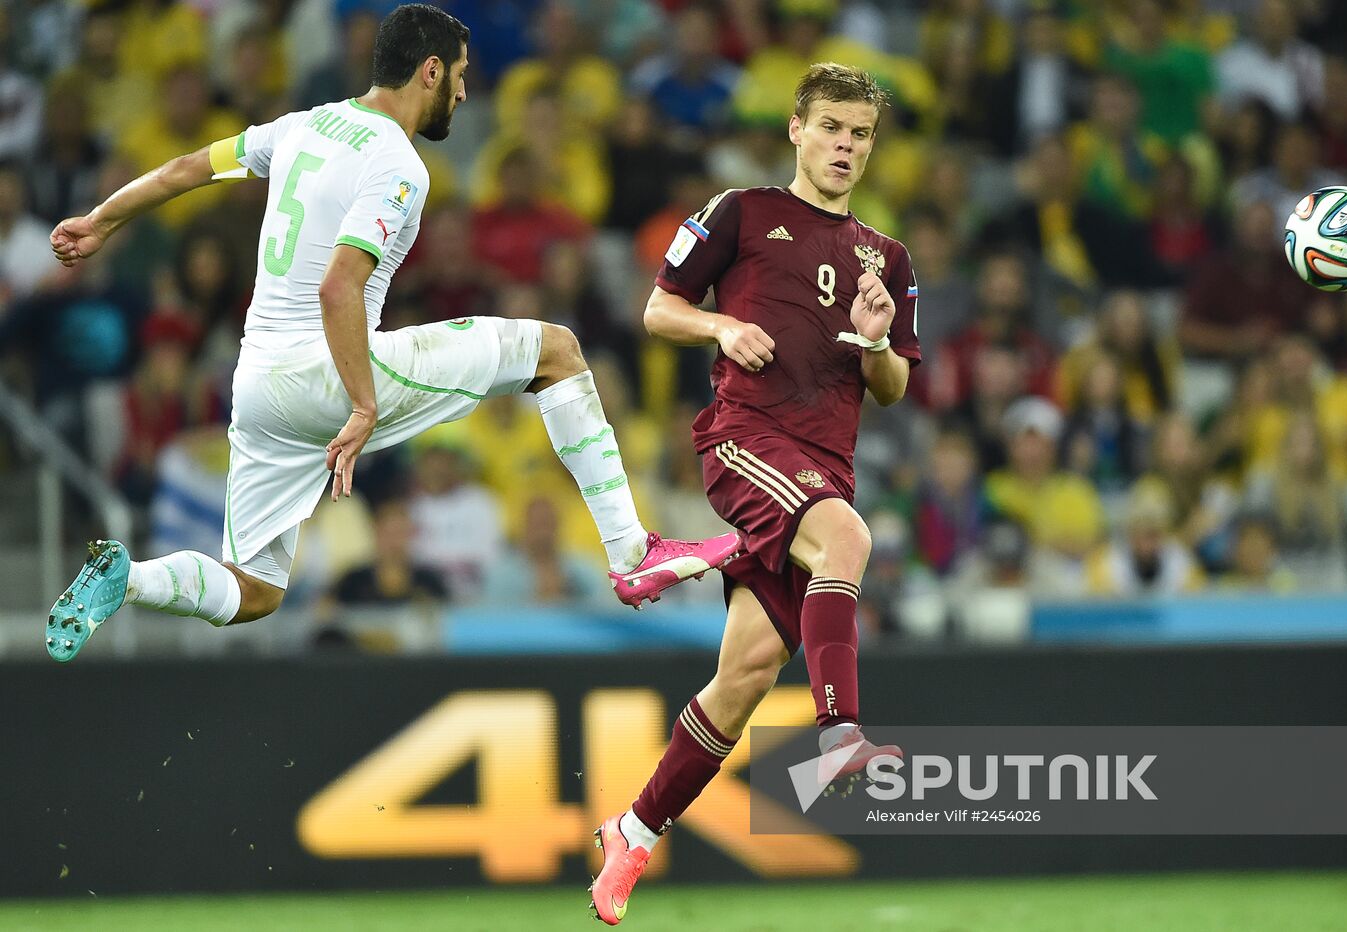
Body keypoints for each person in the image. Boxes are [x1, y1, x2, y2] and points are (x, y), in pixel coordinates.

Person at [44, 4, 739, 663]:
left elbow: (189, 168)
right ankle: (629, 551)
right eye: (462, 77)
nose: (466, 95)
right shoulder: (399, 165)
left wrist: (102, 219)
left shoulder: (304, 125)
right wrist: (363, 403)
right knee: (558, 351)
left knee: (253, 590)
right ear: (430, 71)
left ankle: (126, 579)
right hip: (328, 377)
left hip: (257, 389)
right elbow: (339, 284)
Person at [589, 63, 921, 925]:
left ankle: (631, 831)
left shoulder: (886, 257)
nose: (846, 146)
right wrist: (722, 324)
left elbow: (891, 389)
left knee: (740, 680)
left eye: (861, 134)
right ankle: (839, 735)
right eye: (833, 128)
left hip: (824, 466)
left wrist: (880, 343)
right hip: (746, 439)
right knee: (848, 542)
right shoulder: (743, 210)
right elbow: (658, 310)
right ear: (797, 130)